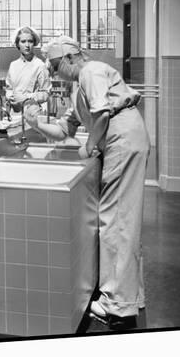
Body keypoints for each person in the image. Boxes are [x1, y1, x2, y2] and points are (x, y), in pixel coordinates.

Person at [24, 35, 150, 328]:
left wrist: (90, 146)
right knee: (123, 220)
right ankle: (130, 297)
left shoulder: (91, 71)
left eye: (55, 66)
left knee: (116, 221)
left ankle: (116, 306)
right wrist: (36, 124)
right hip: (121, 138)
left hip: (122, 136)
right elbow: (65, 130)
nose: (54, 73)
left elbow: (102, 114)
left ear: (70, 58)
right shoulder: (77, 86)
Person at [5, 26, 51, 113]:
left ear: (34, 43)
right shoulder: (13, 65)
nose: (27, 45)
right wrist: (10, 96)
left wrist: (27, 97)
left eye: (30, 41)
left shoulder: (39, 65)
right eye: (23, 41)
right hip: (14, 112)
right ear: (17, 44)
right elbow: (9, 88)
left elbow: (46, 93)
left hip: (32, 112)